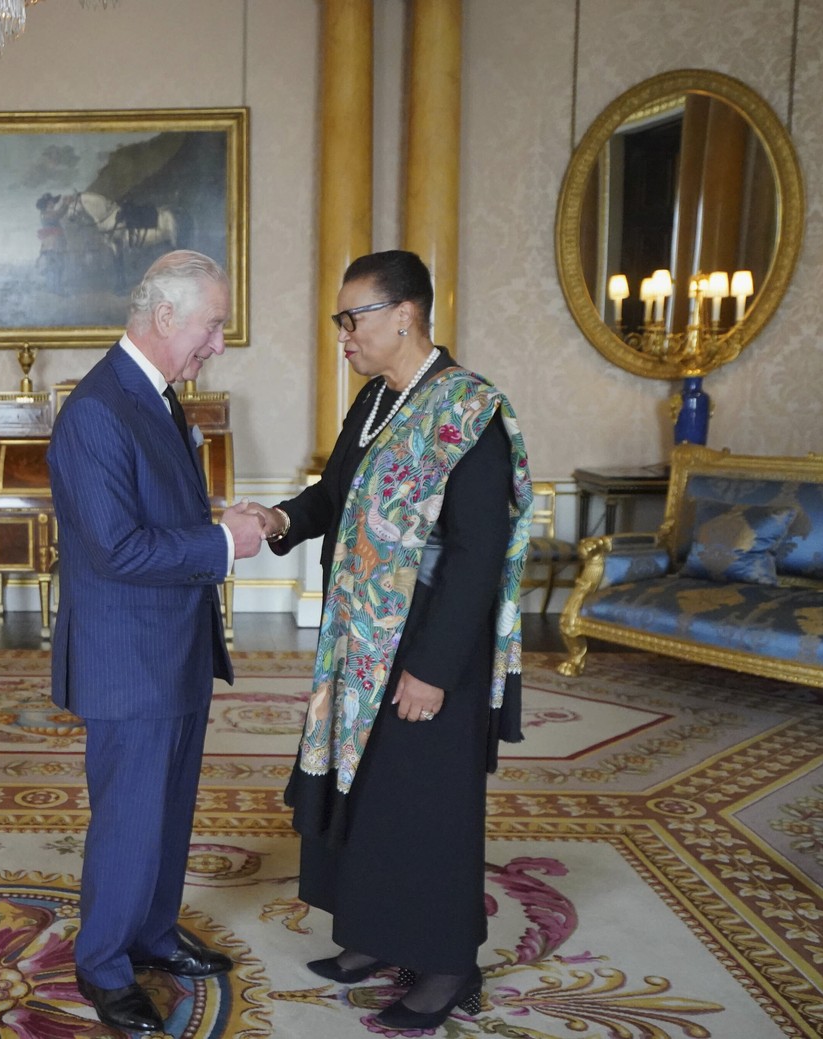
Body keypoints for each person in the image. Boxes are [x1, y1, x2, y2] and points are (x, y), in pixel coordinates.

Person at [237, 250, 532, 1032]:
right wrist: (276, 521)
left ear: (404, 314)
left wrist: (433, 668)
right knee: (365, 791)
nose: (342, 333)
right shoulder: (375, 401)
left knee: (425, 804)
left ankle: (444, 964)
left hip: (433, 642)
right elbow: (333, 494)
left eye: (352, 317)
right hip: (363, 638)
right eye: (342, 319)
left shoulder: (469, 410)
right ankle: (374, 935)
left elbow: (478, 550)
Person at [47, 249, 266, 1034]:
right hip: (128, 657)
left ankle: (153, 934)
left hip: (173, 643)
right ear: (166, 315)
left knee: (169, 809)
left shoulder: (158, 395)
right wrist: (220, 541)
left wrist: (216, 524)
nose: (217, 342)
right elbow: (117, 549)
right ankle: (103, 964)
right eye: (212, 324)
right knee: (131, 815)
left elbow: (158, 515)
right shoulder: (98, 409)